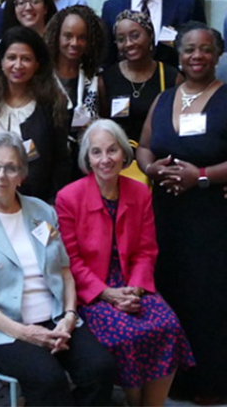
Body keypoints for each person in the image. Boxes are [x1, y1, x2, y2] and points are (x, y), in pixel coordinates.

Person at [0, 131, 115, 407]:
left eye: (11, 168)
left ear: (22, 175)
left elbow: (63, 271)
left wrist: (69, 316)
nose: (1, 175)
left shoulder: (41, 212)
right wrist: (23, 333)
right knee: (49, 379)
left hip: (53, 318)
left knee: (101, 368)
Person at [56, 120, 194, 407]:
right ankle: (134, 402)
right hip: (92, 291)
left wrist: (135, 290)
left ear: (123, 154)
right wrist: (107, 294)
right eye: (96, 152)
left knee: (168, 326)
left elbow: (146, 250)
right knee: (129, 335)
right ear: (87, 159)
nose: (105, 159)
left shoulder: (140, 192)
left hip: (134, 283)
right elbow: (71, 262)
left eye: (112, 150)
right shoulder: (68, 198)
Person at [137, 22, 227, 404]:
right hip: (166, 219)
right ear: (179, 53)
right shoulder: (164, 98)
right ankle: (168, 385)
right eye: (189, 49)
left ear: (218, 55)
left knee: (209, 300)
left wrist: (201, 176)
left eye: (205, 49)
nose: (196, 56)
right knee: (172, 295)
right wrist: (150, 169)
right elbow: (143, 146)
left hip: (212, 221)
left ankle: (211, 386)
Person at [0, 27, 68, 202]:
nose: (18, 65)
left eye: (26, 59)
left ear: (37, 64)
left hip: (35, 201)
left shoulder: (51, 103)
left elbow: (60, 160)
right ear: (1, 61)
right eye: (11, 58)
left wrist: (53, 202)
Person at [97, 10, 182, 181]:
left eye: (135, 35)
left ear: (150, 35)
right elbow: (104, 122)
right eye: (121, 39)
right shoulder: (106, 79)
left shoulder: (171, 77)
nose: (129, 43)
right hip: (119, 168)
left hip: (160, 166)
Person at [44, 5, 106, 177]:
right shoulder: (41, 78)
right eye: (68, 36)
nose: (74, 43)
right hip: (49, 169)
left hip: (87, 168)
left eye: (82, 38)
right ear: (57, 36)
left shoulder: (95, 78)